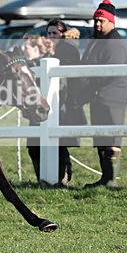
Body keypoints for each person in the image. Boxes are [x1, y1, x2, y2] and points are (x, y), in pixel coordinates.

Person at [73, 0, 127, 189]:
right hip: (98, 97)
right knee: (100, 138)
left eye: (101, 21)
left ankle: (111, 180)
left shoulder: (114, 44)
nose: (97, 24)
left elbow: (111, 73)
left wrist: (89, 89)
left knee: (112, 139)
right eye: (96, 20)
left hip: (112, 98)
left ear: (111, 22)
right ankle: (105, 178)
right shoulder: (97, 41)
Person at [26, 19, 84, 187]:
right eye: (49, 33)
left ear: (63, 34)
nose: (51, 36)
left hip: (61, 106)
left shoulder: (68, 51)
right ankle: (43, 178)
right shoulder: (47, 52)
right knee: (35, 144)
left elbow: (66, 83)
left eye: (55, 33)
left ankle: (62, 178)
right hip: (43, 105)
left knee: (58, 144)